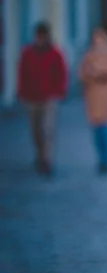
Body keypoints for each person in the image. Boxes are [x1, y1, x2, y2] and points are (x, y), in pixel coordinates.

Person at [16, 22, 68, 177]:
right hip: (31, 97)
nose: (41, 39)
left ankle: (47, 159)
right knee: (35, 131)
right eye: (38, 36)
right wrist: (21, 91)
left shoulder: (55, 53)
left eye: (43, 36)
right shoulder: (27, 53)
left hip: (49, 97)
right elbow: (22, 73)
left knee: (48, 129)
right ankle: (39, 155)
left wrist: (59, 91)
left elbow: (62, 73)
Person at [79, 27, 107, 175]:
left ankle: (106, 159)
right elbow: (83, 74)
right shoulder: (88, 56)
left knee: (105, 129)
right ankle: (101, 158)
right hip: (93, 97)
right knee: (96, 131)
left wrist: (96, 72)